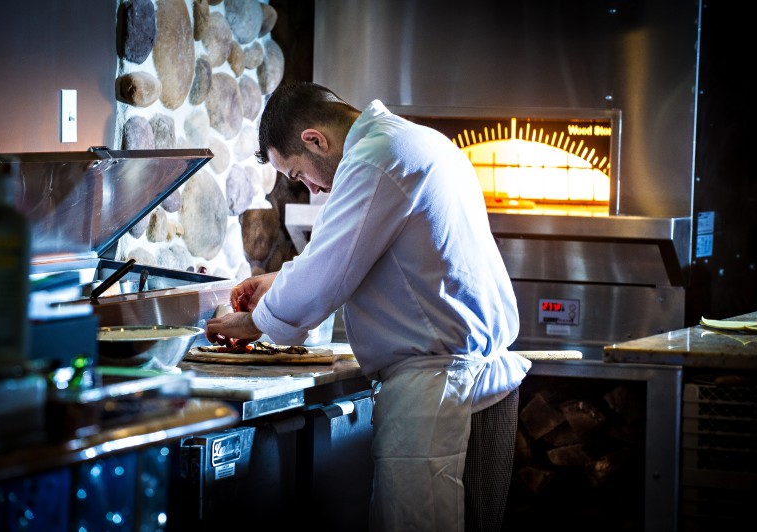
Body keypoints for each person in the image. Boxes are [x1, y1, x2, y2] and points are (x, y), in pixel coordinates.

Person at [205, 82, 531, 532]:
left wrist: (251, 323)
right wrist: (275, 283)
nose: (311, 187)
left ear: (315, 140)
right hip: (466, 384)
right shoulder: (415, 141)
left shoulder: (375, 159)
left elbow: (326, 275)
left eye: (298, 174)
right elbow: (362, 254)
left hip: (439, 396)